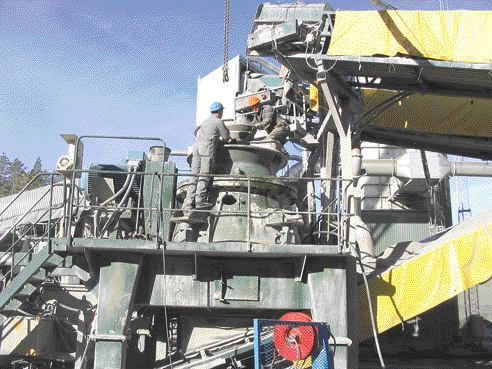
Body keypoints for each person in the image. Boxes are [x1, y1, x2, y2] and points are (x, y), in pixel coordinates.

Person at [183, 101, 231, 210]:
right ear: (220, 111)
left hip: (196, 148)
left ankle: (189, 202)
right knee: (205, 174)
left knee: (194, 175)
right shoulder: (219, 122)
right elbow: (226, 137)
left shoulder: (205, 121)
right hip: (206, 149)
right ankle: (200, 200)